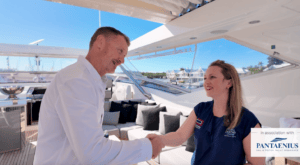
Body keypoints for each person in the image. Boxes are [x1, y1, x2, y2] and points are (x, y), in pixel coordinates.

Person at [33, 27, 164, 165]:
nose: (122, 61)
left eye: (124, 56)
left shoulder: (89, 81)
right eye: (120, 51)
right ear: (100, 42)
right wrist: (148, 147)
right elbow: (92, 152)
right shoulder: (76, 81)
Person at [147, 60, 265, 165]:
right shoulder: (200, 109)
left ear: (229, 83)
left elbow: (258, 163)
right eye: (204, 78)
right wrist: (161, 140)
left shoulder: (249, 121)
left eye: (212, 77)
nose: (206, 82)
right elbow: (180, 136)